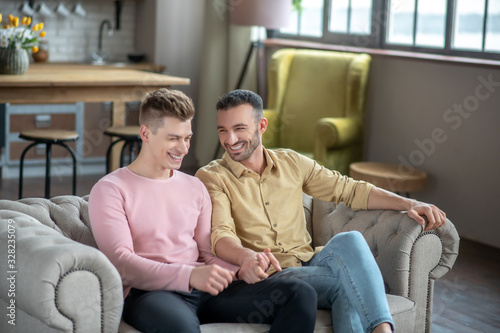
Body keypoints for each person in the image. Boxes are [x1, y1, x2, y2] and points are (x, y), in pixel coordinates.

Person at [195, 89, 448, 333]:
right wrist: (245, 257)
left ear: (261, 126)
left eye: (239, 128)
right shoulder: (213, 176)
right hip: (276, 274)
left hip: (310, 260)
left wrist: (409, 204)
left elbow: (348, 189)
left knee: (350, 240)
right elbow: (221, 234)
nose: (230, 140)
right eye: (223, 131)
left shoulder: (291, 162)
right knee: (351, 283)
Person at [88, 89, 317, 333]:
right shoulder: (110, 189)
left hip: (206, 289)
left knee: (299, 293)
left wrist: (241, 269)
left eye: (187, 138)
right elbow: (122, 264)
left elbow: (206, 254)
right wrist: (188, 276)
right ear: (146, 133)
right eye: (173, 138)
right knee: (181, 328)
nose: (183, 148)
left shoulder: (194, 186)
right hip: (151, 293)